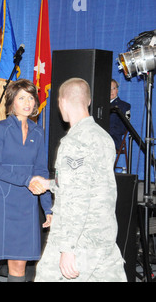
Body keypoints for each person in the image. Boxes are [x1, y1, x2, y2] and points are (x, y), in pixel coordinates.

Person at [32, 78, 126, 282]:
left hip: (81, 241)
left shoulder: (74, 142)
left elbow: (78, 197)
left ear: (63, 102)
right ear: (88, 101)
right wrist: (48, 184)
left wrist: (68, 248)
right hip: (104, 236)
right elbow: (88, 184)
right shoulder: (103, 137)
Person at [0, 79, 53, 283]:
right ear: (11, 102)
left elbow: (41, 171)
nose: (28, 103)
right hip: (1, 204)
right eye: (21, 98)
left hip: (27, 206)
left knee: (18, 266)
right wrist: (27, 180)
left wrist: (48, 208)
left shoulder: (38, 132)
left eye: (31, 98)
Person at [109, 79, 131, 151]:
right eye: (109, 88)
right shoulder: (99, 105)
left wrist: (105, 131)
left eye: (113, 88)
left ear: (117, 90)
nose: (111, 91)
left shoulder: (124, 106)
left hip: (113, 140)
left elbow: (123, 128)